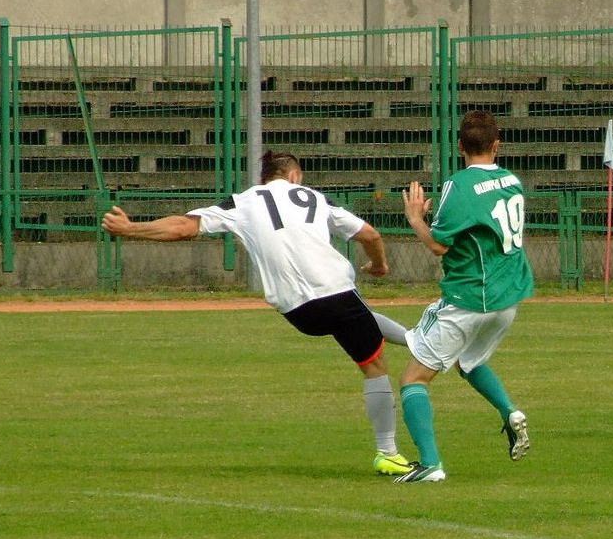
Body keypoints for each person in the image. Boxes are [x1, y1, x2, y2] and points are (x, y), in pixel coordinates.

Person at [101, 150, 415, 475]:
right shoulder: (315, 198)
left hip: (296, 310)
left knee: (357, 319)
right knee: (374, 365)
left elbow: (184, 227)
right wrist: (379, 265)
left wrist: (130, 228)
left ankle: (415, 341)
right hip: (335, 290)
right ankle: (388, 453)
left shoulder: (243, 201)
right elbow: (370, 234)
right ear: (294, 176)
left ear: (264, 179)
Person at [394, 109, 534, 483]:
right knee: (469, 361)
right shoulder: (512, 180)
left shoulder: (459, 185)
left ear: (459, 146)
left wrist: (415, 219)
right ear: (497, 145)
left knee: (413, 380)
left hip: (471, 298)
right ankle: (509, 411)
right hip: (508, 298)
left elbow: (439, 245)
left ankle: (430, 465)